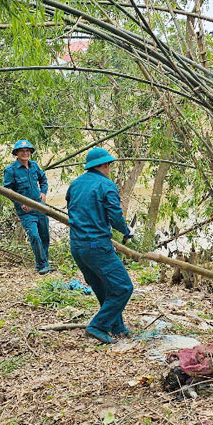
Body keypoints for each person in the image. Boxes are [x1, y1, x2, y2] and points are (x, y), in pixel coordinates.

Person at [66, 147, 135, 344]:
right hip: (97, 246)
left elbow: (75, 209)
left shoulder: (75, 184)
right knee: (123, 287)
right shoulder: (107, 185)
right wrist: (127, 231)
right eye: (109, 165)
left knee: (104, 288)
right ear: (105, 165)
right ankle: (98, 326)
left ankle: (116, 326)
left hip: (77, 246)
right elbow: (115, 217)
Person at [3, 139, 51, 274]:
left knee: (44, 235)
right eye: (22, 151)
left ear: (30, 153)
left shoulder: (34, 166)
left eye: (27, 151)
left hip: (40, 207)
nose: (25, 153)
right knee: (34, 235)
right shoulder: (11, 170)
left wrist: (43, 193)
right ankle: (41, 265)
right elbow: (8, 191)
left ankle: (45, 261)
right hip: (26, 212)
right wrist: (20, 203)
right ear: (16, 153)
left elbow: (44, 180)